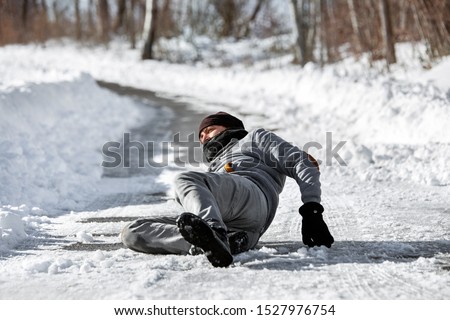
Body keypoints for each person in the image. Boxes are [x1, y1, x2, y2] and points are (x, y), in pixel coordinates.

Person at [121, 111, 334, 267]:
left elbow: (303, 162)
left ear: (229, 127)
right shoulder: (214, 166)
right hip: (244, 229)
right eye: (201, 136)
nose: (204, 137)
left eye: (209, 130)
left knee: (185, 179)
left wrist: (312, 211)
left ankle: (214, 232)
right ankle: (214, 244)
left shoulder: (255, 139)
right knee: (132, 232)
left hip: (252, 195)